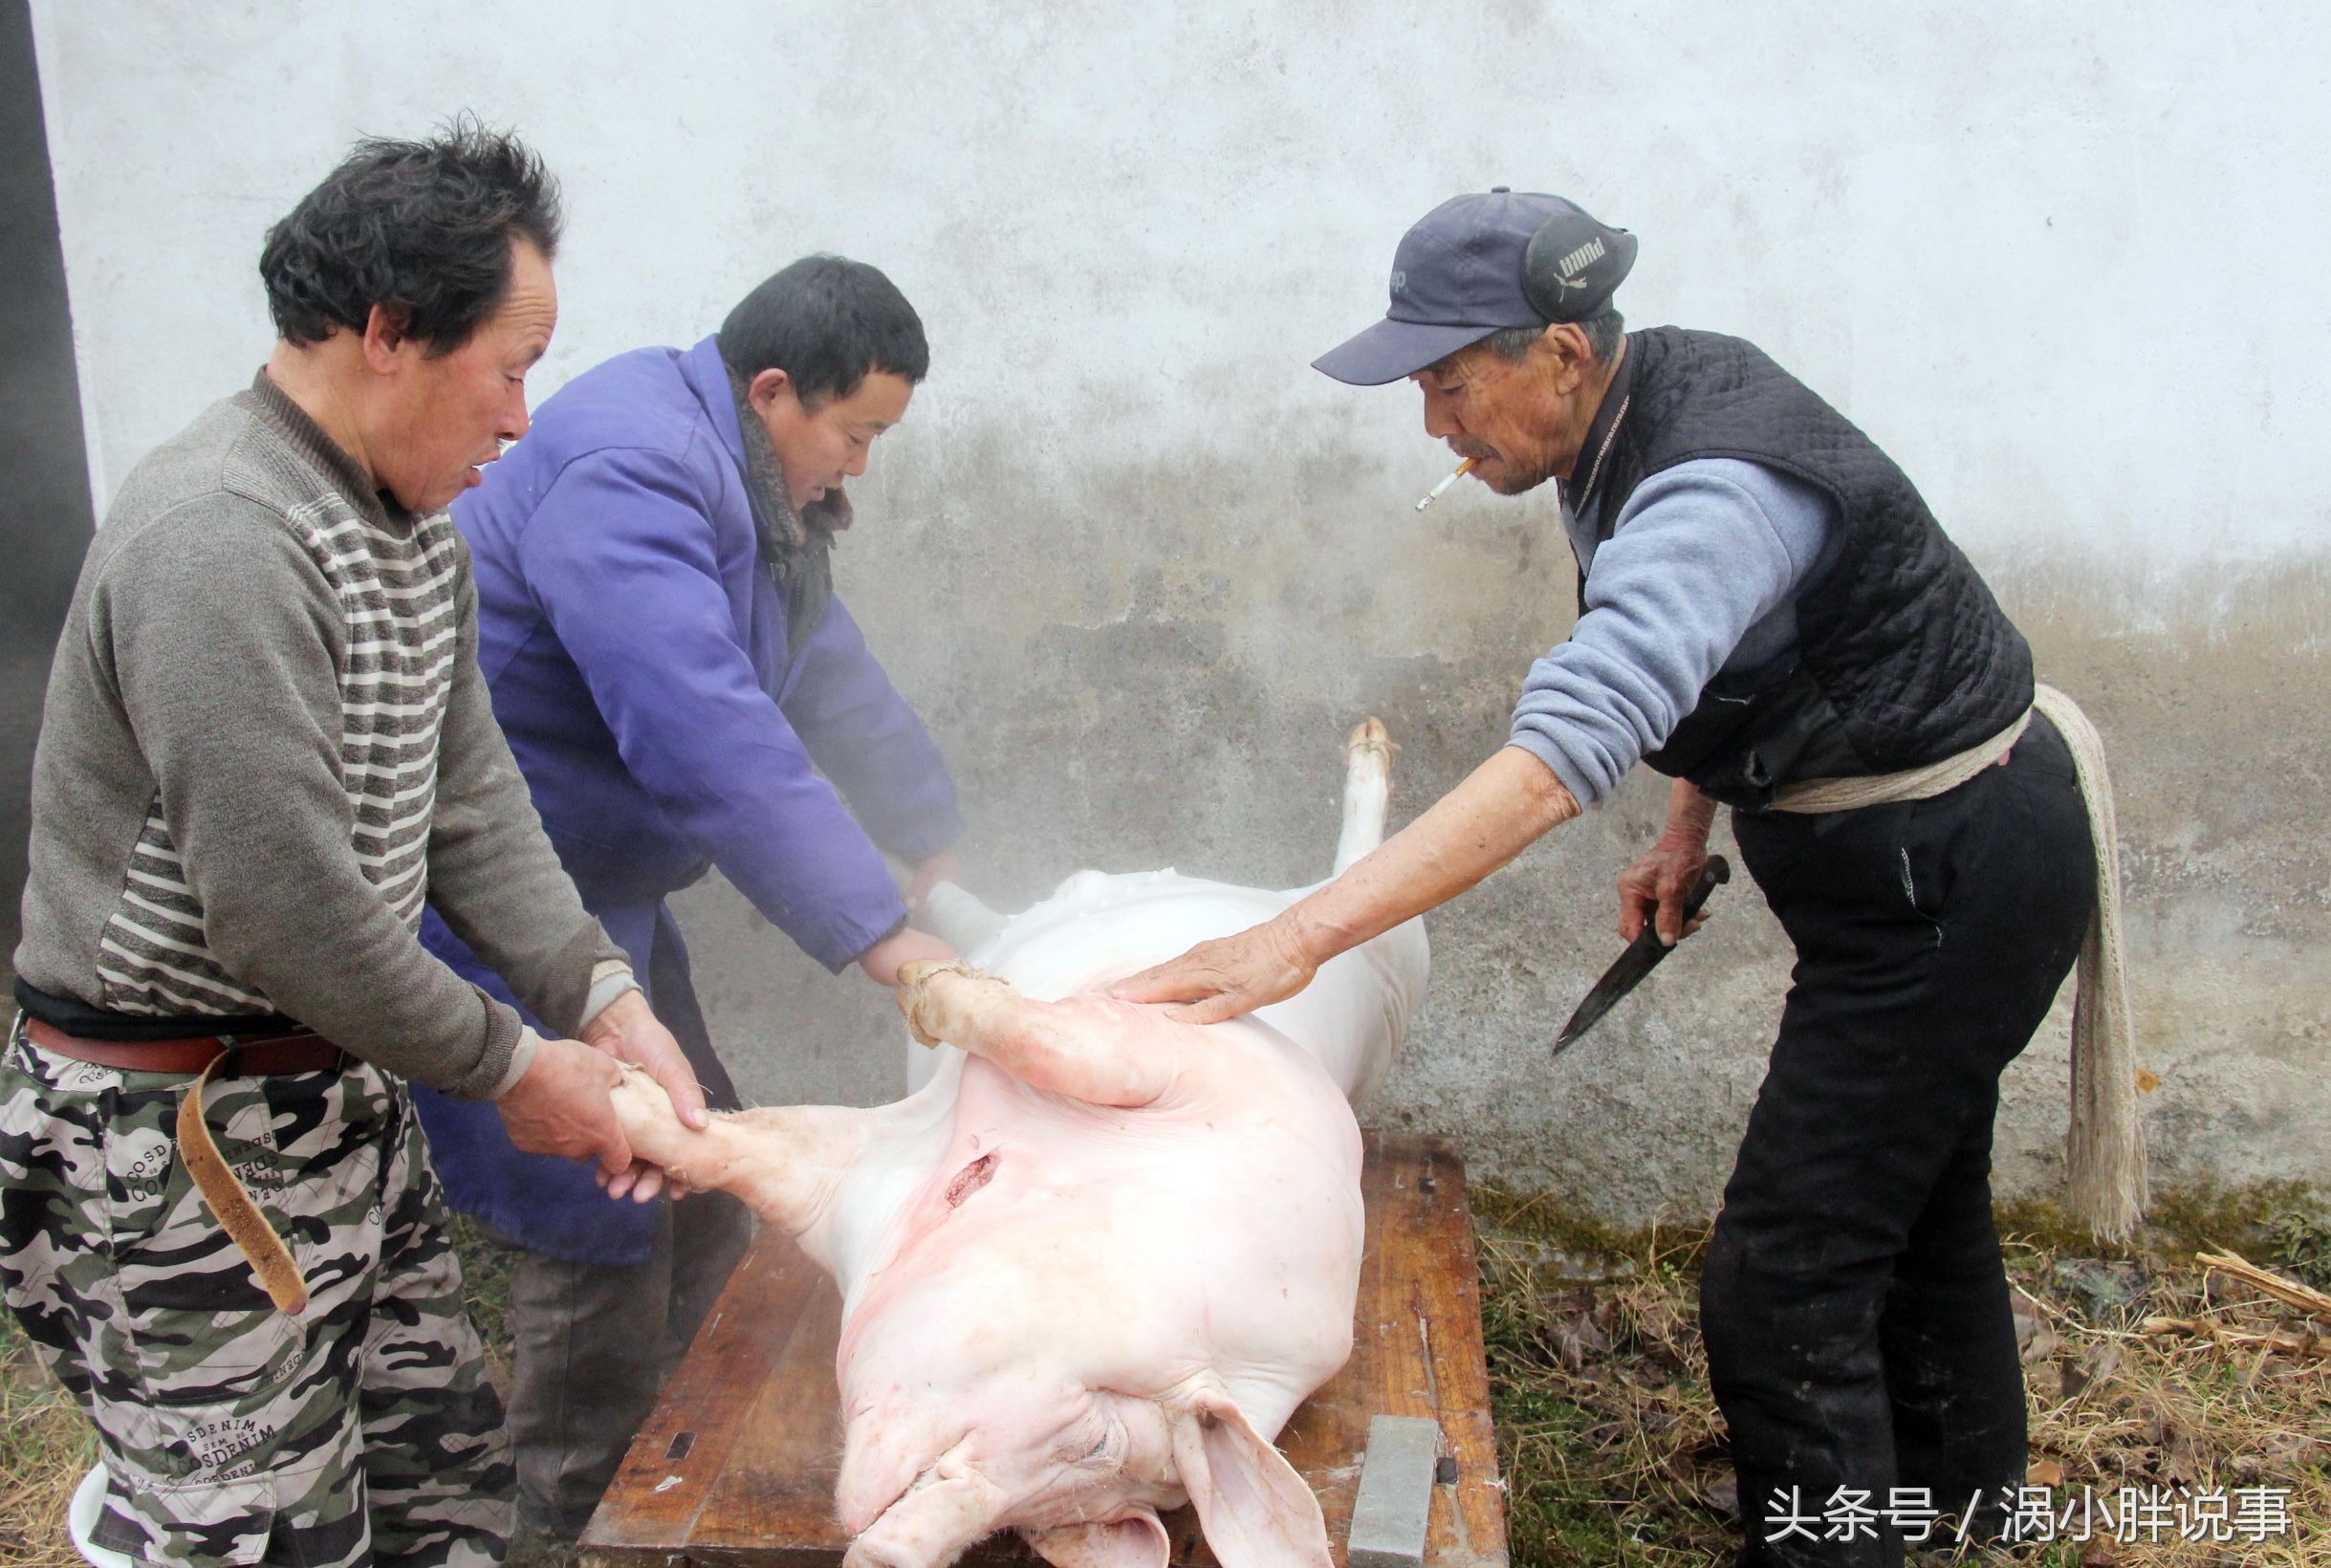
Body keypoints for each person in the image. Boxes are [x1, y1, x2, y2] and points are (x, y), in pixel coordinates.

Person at [1116, 189, 2129, 1567]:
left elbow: (1559, 750)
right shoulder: (1635, 412)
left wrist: (1300, 939)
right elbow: (1717, 654)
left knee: (1782, 1279)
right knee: (1912, 1197)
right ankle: (1959, 1508)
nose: (1436, 425)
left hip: (1949, 873)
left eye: (1451, 384)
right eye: (1421, 389)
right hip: (1909, 865)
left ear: (1561, 352)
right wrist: (1683, 827)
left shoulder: (1711, 479)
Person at [1, 122, 707, 1568]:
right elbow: (280, 913)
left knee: (440, 1494)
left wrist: (597, 996)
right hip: (179, 1145)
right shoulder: (223, 536)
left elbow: (470, 803)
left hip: (336, 1102)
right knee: (258, 1535)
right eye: (509, 369)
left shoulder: (407, 531)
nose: (521, 419)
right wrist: (520, 1070)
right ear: (389, 335)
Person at [408, 253, 964, 1541]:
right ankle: (566, 1511)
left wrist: (922, 828)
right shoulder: (633, 468)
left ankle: (684, 1449)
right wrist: (881, 940)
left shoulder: (753, 484)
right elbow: (699, 724)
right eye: (856, 432)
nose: (862, 464)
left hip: (606, 903)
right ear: (773, 391)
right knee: (598, 1200)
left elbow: (821, 664)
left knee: (705, 1161)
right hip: (507, 898)